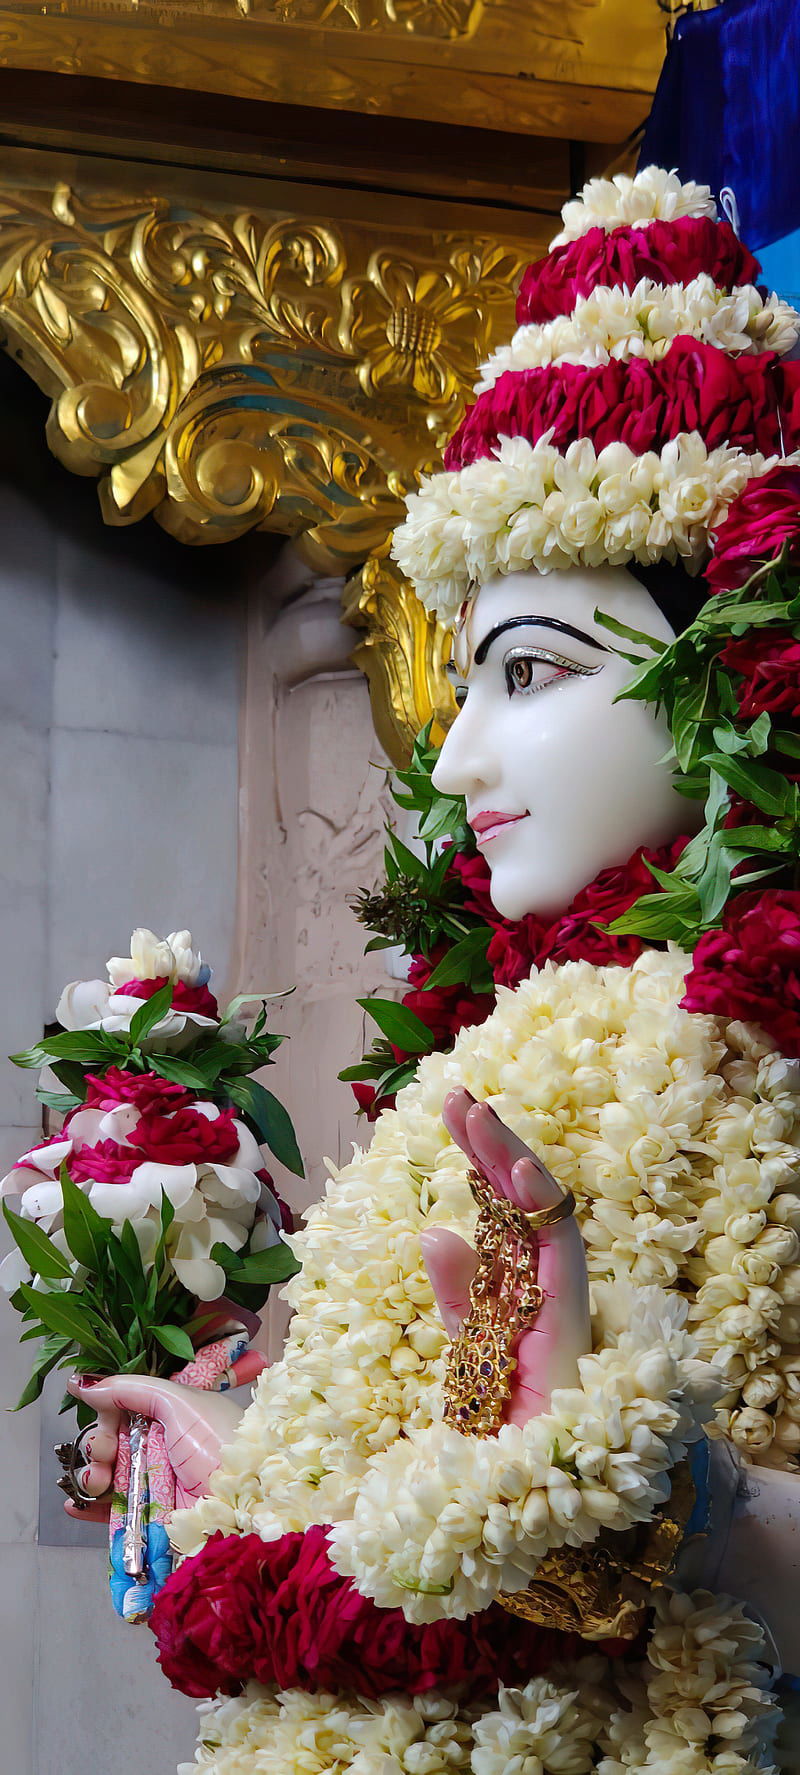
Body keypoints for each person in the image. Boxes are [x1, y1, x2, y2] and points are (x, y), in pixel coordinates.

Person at [72, 168, 800, 1772]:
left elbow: (577, 1533)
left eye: (529, 670)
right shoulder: (520, 1071)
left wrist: (667, 1497)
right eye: (468, 678)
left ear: (737, 665)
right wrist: (247, 1446)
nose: (461, 757)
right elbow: (452, 1493)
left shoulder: (741, 1055)